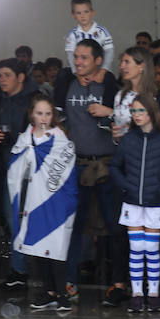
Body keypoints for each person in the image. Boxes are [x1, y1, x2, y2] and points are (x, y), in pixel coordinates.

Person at [52, 39, 124, 303]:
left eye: (84, 58)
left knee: (115, 227)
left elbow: (127, 115)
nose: (78, 62)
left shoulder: (109, 84)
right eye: (76, 57)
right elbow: (55, 112)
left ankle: (119, 284)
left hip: (107, 162)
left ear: (98, 60)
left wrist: (110, 109)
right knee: (73, 226)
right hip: (77, 164)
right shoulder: (66, 83)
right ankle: (68, 283)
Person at [110, 94, 160, 313]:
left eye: (141, 110)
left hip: (155, 202)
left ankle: (153, 293)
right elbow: (115, 166)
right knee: (135, 249)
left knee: (151, 248)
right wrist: (126, 186)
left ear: (152, 112)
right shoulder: (129, 139)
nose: (137, 115)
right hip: (132, 202)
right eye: (134, 111)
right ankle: (137, 293)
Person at [6, 95, 78, 312]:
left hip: (55, 200)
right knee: (37, 247)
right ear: (31, 114)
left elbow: (68, 171)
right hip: (32, 200)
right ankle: (48, 292)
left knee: (57, 246)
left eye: (48, 113)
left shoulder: (61, 140)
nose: (43, 118)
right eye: (39, 113)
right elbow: (15, 166)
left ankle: (62, 293)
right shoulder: (24, 139)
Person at [0, 58, 40, 288]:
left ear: (20, 77)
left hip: (33, 168)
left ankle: (46, 269)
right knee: (13, 220)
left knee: (37, 218)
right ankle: (18, 269)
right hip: (7, 167)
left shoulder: (35, 99)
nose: (2, 80)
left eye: (7, 75)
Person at [99, 46, 160, 149]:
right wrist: (117, 137)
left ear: (141, 66)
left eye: (127, 62)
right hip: (129, 160)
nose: (122, 66)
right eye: (121, 62)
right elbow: (119, 139)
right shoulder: (120, 96)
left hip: (155, 160)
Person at [64, 0, 114, 71]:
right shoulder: (72, 35)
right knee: (63, 74)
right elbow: (70, 56)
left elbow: (109, 52)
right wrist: (77, 74)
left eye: (86, 12)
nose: (83, 16)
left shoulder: (102, 31)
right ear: (73, 15)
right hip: (80, 72)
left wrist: (103, 71)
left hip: (100, 71)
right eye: (78, 13)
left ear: (92, 12)